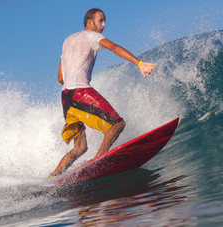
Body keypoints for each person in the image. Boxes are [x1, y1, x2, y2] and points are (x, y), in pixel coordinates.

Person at [49, 8, 157, 177]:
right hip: (80, 91)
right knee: (117, 124)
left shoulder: (67, 40)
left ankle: (53, 177)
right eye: (101, 21)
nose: (104, 25)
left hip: (65, 97)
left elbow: (60, 78)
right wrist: (139, 63)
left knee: (80, 148)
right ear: (89, 23)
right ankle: (99, 161)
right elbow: (114, 47)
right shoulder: (92, 36)